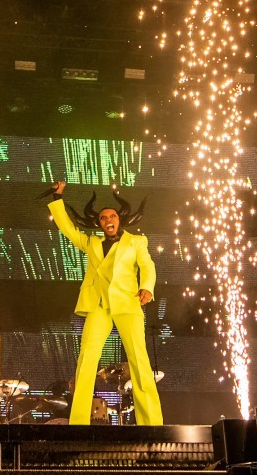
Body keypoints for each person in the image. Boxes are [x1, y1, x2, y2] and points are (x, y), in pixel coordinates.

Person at [47, 181, 163, 425]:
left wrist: (146, 287)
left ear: (119, 219)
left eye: (112, 215)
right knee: (86, 360)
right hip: (100, 305)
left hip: (128, 304)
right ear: (99, 223)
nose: (108, 220)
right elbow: (69, 230)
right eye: (103, 217)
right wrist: (58, 200)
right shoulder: (92, 243)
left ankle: (151, 423)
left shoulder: (136, 242)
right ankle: (78, 422)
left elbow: (147, 265)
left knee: (139, 362)